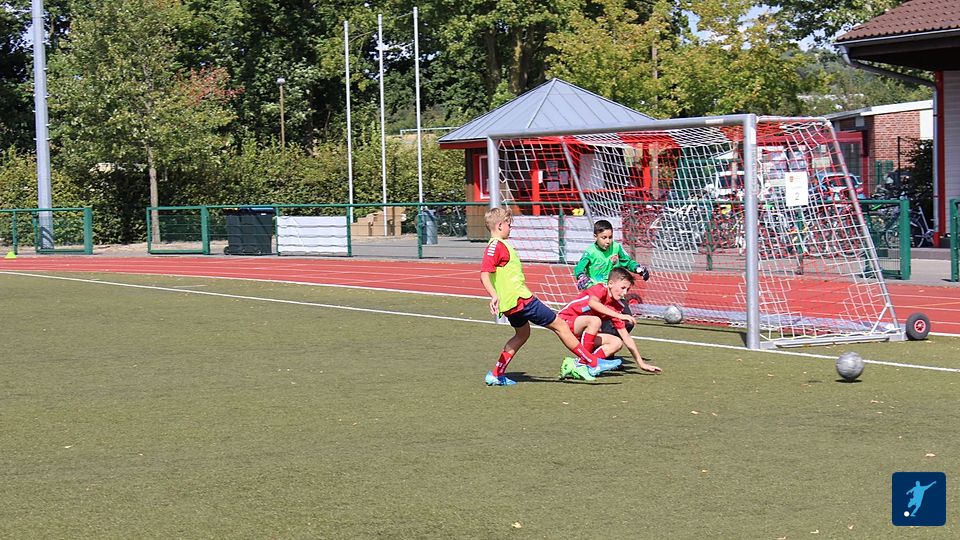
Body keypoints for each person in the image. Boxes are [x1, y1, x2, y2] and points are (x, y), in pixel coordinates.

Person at [480, 207, 606, 385]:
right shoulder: (496, 246)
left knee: (522, 334)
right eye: (509, 224)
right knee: (560, 325)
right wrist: (493, 295)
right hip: (521, 300)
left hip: (511, 304)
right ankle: (592, 362)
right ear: (500, 225)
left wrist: (496, 296)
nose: (511, 228)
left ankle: (496, 374)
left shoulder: (496, 245)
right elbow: (484, 274)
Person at [557, 267, 661, 379]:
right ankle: (583, 363)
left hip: (583, 332)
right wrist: (619, 315)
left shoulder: (616, 306)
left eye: (627, 290)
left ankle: (582, 365)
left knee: (617, 342)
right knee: (595, 321)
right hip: (565, 322)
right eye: (622, 288)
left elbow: (626, 337)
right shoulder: (600, 289)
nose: (624, 293)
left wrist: (641, 363)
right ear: (610, 284)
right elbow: (593, 303)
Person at [573, 219, 650, 335]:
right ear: (595, 237)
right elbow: (579, 268)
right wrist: (581, 276)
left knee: (628, 322)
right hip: (599, 295)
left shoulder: (616, 248)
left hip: (615, 293)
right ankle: (602, 344)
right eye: (604, 238)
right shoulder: (590, 252)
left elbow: (627, 262)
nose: (608, 241)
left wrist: (638, 269)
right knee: (605, 326)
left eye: (610, 237)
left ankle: (610, 342)